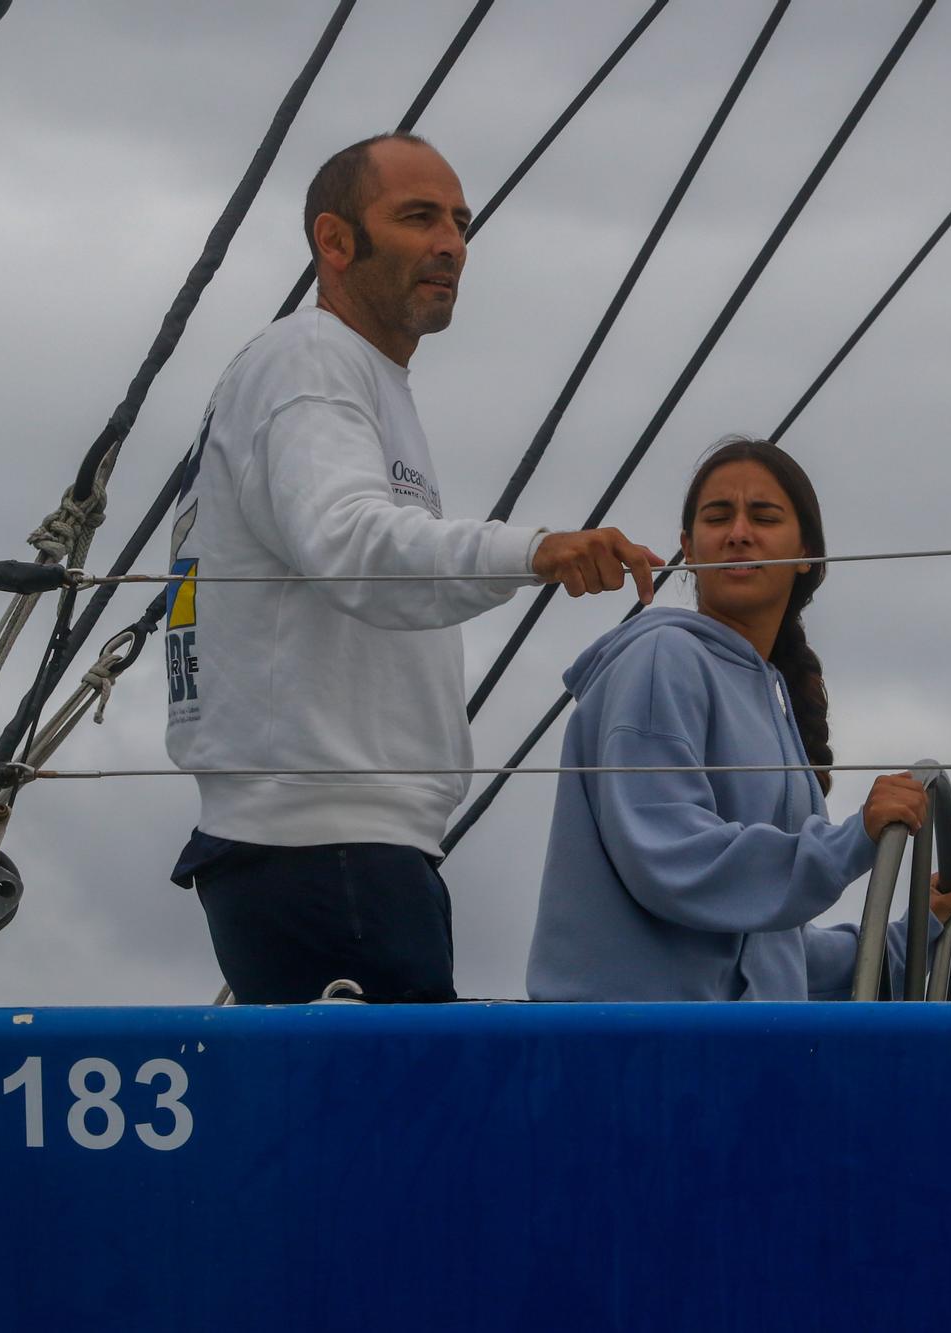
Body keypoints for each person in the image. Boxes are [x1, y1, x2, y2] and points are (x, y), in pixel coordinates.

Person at [165, 133, 660, 1004]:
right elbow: (351, 546)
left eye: (462, 223)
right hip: (326, 853)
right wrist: (534, 549)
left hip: (343, 849)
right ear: (335, 240)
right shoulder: (311, 363)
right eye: (420, 217)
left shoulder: (353, 375)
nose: (453, 244)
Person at [526, 437, 951, 1001]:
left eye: (763, 517)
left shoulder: (772, 695)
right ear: (688, 550)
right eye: (719, 517)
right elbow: (675, 860)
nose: (739, 532)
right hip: (639, 1057)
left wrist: (906, 937)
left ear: (808, 554)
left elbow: (762, 954)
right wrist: (850, 842)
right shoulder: (660, 658)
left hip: (732, 1055)